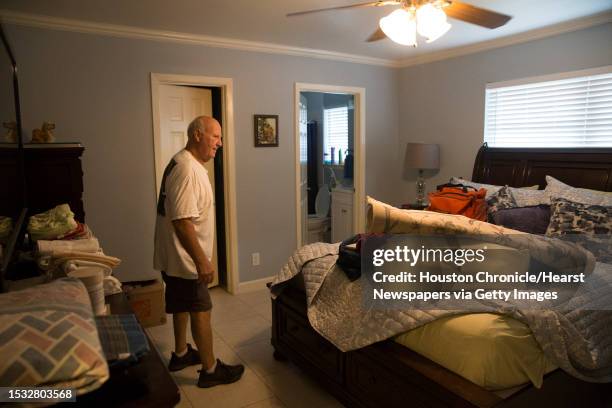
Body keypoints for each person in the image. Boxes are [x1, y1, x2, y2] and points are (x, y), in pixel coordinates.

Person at [154, 115, 244, 388]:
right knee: (200, 309)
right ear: (197, 135)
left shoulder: (181, 162)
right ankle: (210, 370)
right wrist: (202, 261)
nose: (220, 143)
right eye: (215, 136)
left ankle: (181, 353)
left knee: (181, 304)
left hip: (173, 257)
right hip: (185, 260)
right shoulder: (187, 170)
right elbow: (182, 222)